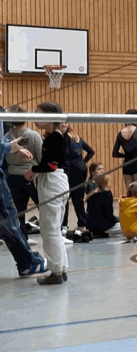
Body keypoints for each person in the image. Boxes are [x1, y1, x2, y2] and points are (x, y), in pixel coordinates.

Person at [0, 75, 47, 277]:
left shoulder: (20, 135)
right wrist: (10, 147)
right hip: (19, 177)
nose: (1, 77)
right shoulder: (25, 134)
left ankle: (27, 256)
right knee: (11, 218)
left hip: (15, 176)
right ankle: (28, 260)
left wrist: (13, 149)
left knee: (13, 216)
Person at [28, 101, 70, 285]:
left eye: (39, 114)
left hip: (52, 182)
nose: (35, 118)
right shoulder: (55, 137)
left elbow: (51, 165)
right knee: (55, 229)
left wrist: (32, 170)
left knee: (49, 230)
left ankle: (56, 271)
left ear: (51, 117)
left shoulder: (54, 138)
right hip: (57, 181)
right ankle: (61, 268)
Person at [4, 105, 42, 238]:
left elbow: (6, 157)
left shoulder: (7, 137)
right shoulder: (33, 135)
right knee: (43, 206)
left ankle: (22, 238)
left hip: (13, 176)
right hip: (31, 176)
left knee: (18, 210)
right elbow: (41, 157)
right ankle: (54, 232)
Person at [61, 124, 94, 231]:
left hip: (69, 168)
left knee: (66, 196)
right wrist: (83, 162)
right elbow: (91, 151)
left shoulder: (64, 138)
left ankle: (64, 225)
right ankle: (82, 224)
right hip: (81, 168)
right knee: (78, 197)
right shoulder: (78, 138)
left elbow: (65, 154)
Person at [85, 166, 117, 238]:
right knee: (126, 226)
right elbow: (108, 214)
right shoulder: (107, 194)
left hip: (91, 224)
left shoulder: (93, 194)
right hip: (102, 226)